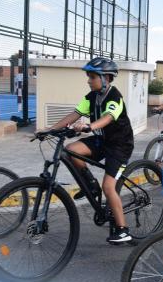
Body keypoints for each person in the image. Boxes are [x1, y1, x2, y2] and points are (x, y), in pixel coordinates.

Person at [40, 57, 134, 243]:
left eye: (92, 77)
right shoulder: (92, 97)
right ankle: (91, 186)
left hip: (119, 146)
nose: (88, 80)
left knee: (109, 186)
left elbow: (107, 118)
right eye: (88, 76)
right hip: (102, 141)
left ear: (106, 78)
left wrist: (89, 126)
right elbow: (74, 114)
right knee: (70, 150)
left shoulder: (115, 97)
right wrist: (50, 130)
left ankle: (123, 230)